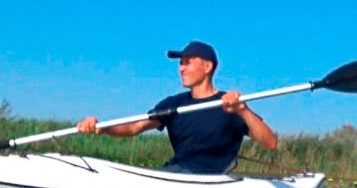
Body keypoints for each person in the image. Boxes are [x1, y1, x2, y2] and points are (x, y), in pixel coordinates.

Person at [76, 40, 278, 174]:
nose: (181, 68)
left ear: (207, 67)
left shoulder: (229, 105)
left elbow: (270, 143)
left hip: (208, 179)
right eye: (180, 63)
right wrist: (101, 127)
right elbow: (134, 127)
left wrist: (242, 110)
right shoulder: (174, 104)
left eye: (188, 62)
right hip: (176, 172)